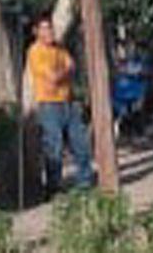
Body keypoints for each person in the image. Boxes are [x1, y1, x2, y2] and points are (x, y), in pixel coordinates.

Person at [27, 14, 95, 193]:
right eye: (45, 28)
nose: (49, 32)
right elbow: (54, 77)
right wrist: (64, 71)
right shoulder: (35, 52)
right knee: (53, 147)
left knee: (81, 142)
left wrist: (62, 71)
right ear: (36, 32)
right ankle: (54, 187)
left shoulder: (59, 48)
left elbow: (72, 65)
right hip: (49, 105)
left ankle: (85, 181)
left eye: (50, 28)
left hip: (68, 102)